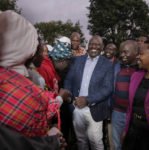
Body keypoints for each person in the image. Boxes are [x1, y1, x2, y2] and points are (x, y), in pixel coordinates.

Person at [0, 10, 71, 148]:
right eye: (37, 48)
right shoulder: (29, 94)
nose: (41, 55)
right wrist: (52, 140)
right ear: (25, 48)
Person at [64, 35, 114, 150]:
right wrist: (70, 99)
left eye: (97, 44)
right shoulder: (77, 60)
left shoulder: (107, 64)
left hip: (95, 109)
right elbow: (68, 80)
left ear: (102, 47)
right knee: (81, 140)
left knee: (96, 141)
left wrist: (88, 100)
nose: (94, 46)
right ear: (87, 45)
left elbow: (107, 88)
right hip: (76, 108)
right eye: (91, 43)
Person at [121, 39, 149, 150]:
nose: (137, 57)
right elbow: (130, 108)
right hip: (133, 131)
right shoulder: (136, 76)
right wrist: (126, 131)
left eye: (141, 54)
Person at [111, 40, 139, 150]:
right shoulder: (116, 67)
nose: (122, 55)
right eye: (121, 52)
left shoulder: (142, 69)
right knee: (117, 144)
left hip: (134, 115)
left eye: (125, 52)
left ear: (136, 52)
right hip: (117, 112)